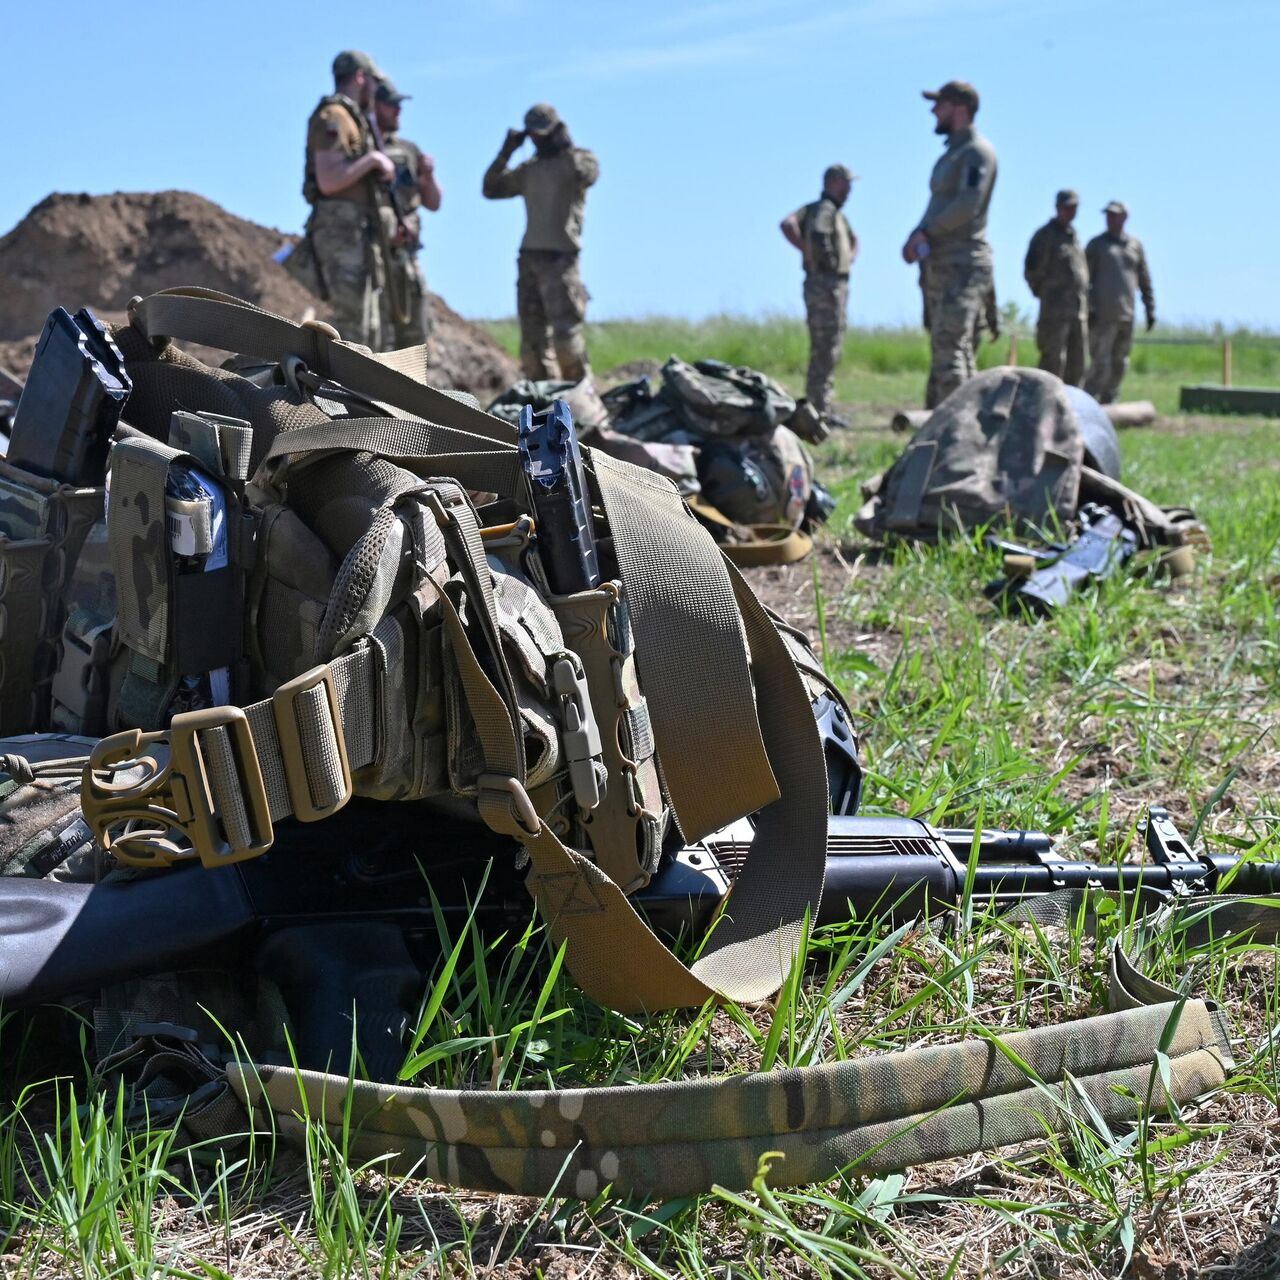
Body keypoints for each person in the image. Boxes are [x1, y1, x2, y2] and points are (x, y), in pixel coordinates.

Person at [482, 104, 599, 381]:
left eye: (542, 134)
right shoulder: (529, 170)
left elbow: (587, 175)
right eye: (533, 135)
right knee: (532, 345)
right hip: (530, 258)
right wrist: (506, 151)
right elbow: (491, 188)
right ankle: (542, 405)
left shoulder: (578, 161)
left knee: (566, 339)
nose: (537, 140)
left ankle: (580, 401)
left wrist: (565, 145)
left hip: (561, 259)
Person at [901, 80, 998, 408]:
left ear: (959, 108)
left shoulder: (975, 153)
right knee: (953, 349)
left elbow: (967, 205)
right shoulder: (955, 153)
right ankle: (966, 425)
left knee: (950, 352)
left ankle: (955, 436)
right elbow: (941, 204)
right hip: (942, 262)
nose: (933, 111)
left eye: (939, 104)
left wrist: (926, 233)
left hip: (961, 263)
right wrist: (918, 234)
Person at [299, 51, 396, 348]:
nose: (376, 92)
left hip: (357, 234)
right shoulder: (335, 117)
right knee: (348, 330)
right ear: (359, 77)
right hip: (340, 235)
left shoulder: (354, 119)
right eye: (373, 83)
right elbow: (329, 181)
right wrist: (373, 161)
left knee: (366, 331)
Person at [780, 164, 858, 425]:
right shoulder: (825, 210)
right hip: (826, 285)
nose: (849, 190)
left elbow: (853, 240)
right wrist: (818, 256)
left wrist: (847, 256)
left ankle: (820, 407)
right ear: (833, 182)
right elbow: (811, 232)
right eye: (846, 184)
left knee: (828, 346)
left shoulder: (829, 211)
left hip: (829, 284)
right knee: (825, 347)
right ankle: (818, 411)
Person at [373, 80, 442, 351]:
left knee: (414, 336)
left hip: (407, 260)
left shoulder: (408, 150)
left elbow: (433, 202)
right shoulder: (362, 149)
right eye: (391, 105)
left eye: (399, 105)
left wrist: (429, 174)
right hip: (376, 258)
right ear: (375, 106)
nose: (398, 111)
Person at [1084, 201, 1155, 403]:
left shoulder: (1134, 246)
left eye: (1114, 215)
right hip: (1102, 315)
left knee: (1120, 362)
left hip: (1127, 313)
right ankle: (1088, 400)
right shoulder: (1097, 245)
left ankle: (1110, 400)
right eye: (1108, 215)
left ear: (1124, 217)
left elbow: (1144, 278)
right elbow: (1084, 280)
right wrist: (1089, 309)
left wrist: (1150, 307)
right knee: (1100, 362)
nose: (1110, 219)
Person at [1023, 189, 1089, 385]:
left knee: (1077, 363)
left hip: (1078, 310)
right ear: (1058, 207)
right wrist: (1047, 294)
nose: (1071, 211)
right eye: (1067, 207)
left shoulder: (1074, 237)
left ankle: (1073, 408)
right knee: (1052, 363)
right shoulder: (1045, 236)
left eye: (1074, 208)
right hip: (1054, 313)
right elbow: (1031, 270)